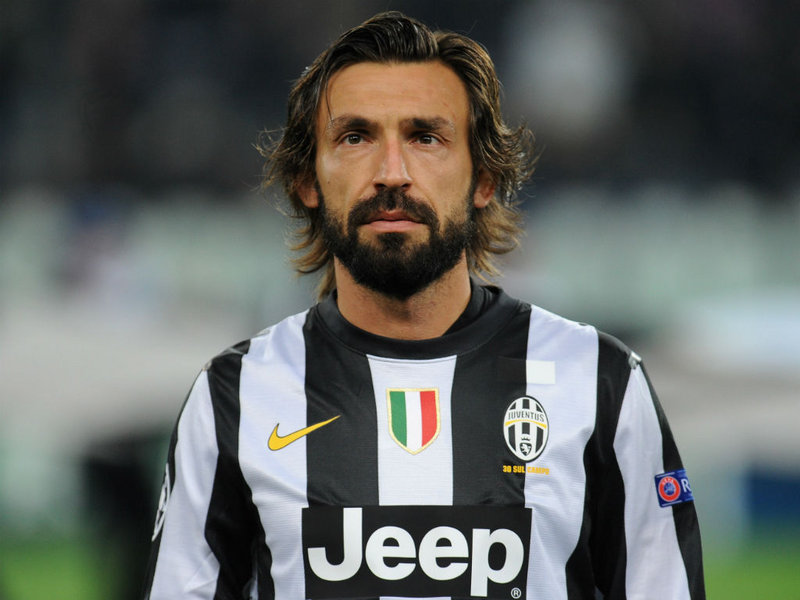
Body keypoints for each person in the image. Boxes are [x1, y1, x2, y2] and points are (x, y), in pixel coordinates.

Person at [142, 11, 704, 600]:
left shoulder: (600, 383)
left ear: (484, 178)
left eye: (425, 137)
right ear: (307, 180)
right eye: (356, 137)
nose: (392, 173)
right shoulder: (235, 396)